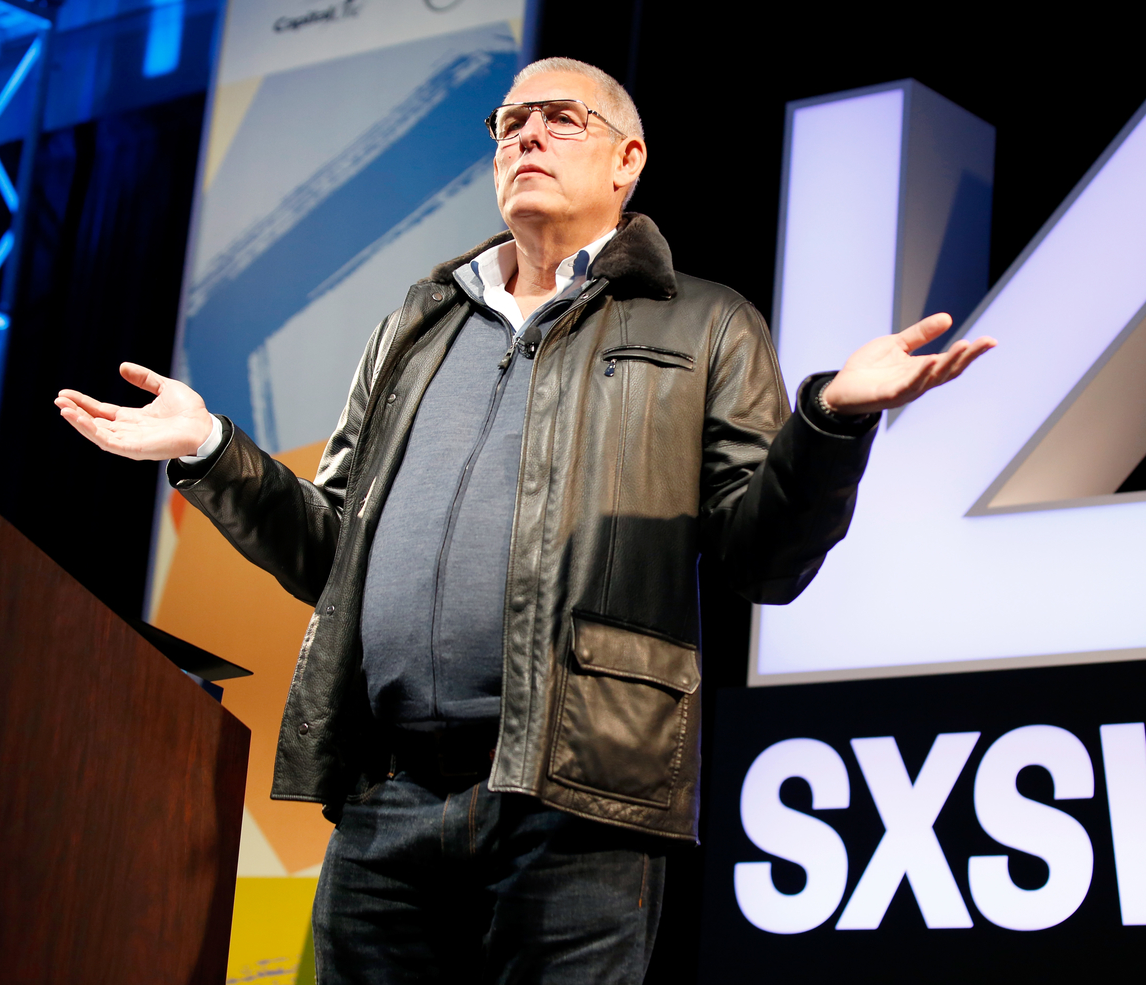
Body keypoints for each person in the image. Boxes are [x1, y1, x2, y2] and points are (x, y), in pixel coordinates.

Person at [55, 58, 995, 984]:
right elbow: (334, 554)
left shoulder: (705, 325)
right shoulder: (416, 327)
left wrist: (831, 419)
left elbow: (765, 560)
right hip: (387, 798)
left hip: (576, 801)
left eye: (561, 118)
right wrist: (212, 447)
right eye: (510, 122)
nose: (528, 135)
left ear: (627, 161)